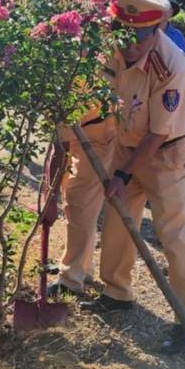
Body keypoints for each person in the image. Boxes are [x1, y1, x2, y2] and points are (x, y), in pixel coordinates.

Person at [80, 0, 185, 355]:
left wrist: (122, 174)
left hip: (165, 153)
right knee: (119, 219)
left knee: (172, 233)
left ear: (157, 30)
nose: (130, 45)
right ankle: (117, 292)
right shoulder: (113, 46)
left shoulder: (171, 64)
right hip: (127, 145)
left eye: (139, 37)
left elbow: (158, 132)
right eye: (123, 33)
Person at [48, 99, 116, 297]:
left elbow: (60, 149)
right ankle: (80, 265)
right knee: (71, 197)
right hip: (81, 133)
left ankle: (71, 278)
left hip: (98, 138)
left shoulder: (66, 80)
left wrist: (50, 198)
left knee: (79, 203)